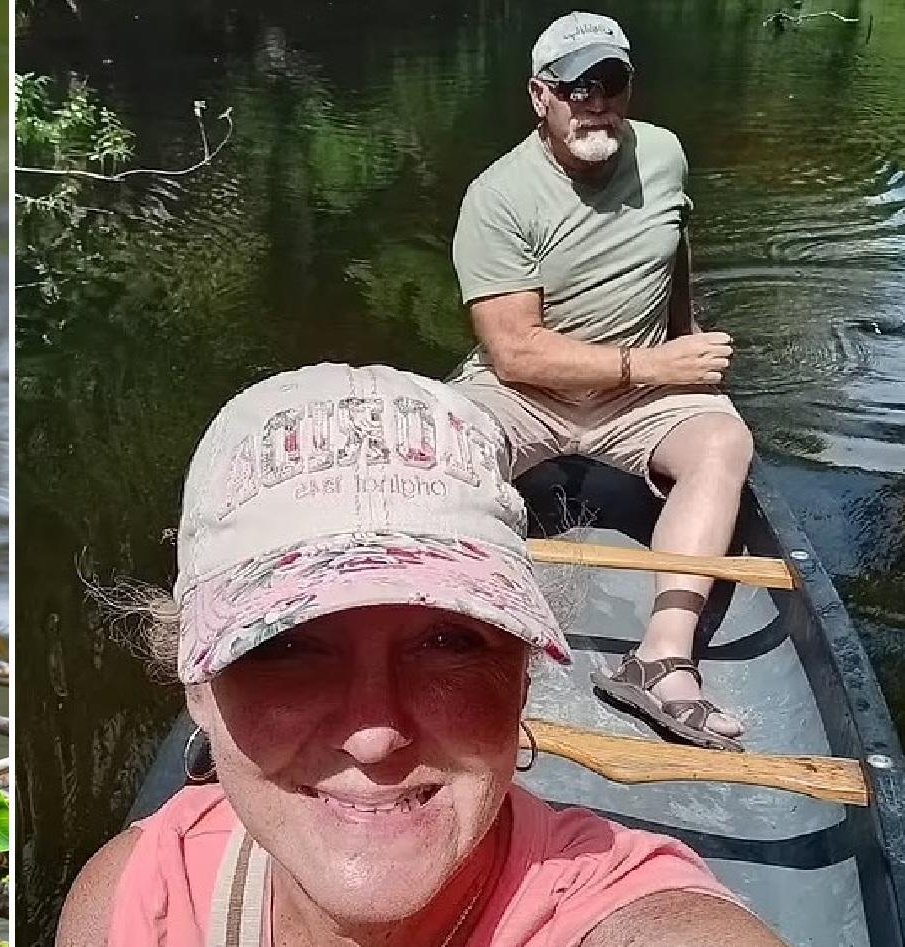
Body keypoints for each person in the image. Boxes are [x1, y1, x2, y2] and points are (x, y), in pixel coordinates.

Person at [57, 364, 784, 947]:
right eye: (285, 647)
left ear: (522, 676)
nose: (374, 737)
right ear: (197, 684)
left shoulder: (633, 922)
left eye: (448, 643)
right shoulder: (135, 908)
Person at [448, 11, 754, 751]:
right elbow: (514, 352)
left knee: (724, 442)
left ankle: (660, 661)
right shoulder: (498, 197)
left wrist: (684, 341)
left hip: (641, 398)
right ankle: (427, 638)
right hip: (523, 395)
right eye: (575, 88)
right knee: (433, 452)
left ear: (628, 88)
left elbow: (672, 250)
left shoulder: (664, 155)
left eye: (610, 83)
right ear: (539, 96)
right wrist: (654, 364)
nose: (595, 103)